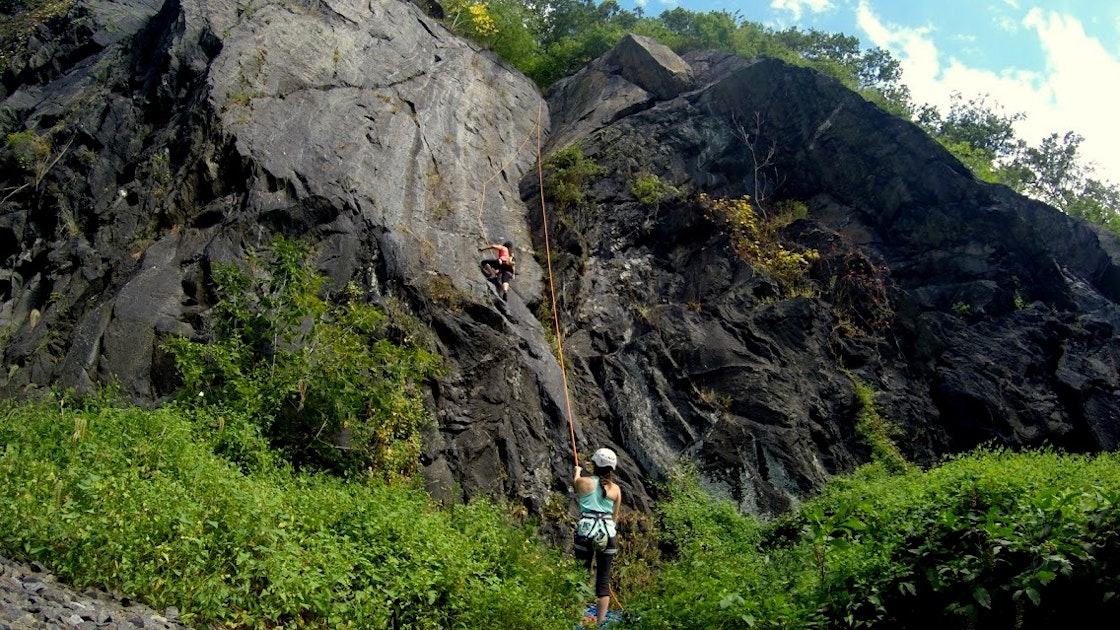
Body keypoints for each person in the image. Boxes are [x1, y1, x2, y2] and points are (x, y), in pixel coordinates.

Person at [574, 447, 622, 625]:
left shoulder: (584, 482)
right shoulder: (616, 489)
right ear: (612, 468)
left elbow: (576, 483)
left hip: (586, 532)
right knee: (602, 580)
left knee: (581, 576)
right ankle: (601, 623)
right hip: (607, 533)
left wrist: (577, 471)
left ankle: (579, 619)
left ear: (594, 464)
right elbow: (614, 518)